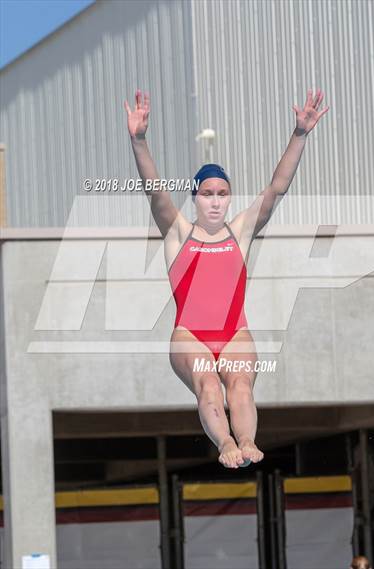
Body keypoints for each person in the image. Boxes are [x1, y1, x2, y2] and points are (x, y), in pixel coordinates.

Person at [124, 88, 329, 468]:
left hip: (236, 330)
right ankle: (224, 443)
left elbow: (277, 187)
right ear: (196, 198)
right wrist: (139, 141)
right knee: (208, 388)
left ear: (229, 198)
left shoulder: (241, 232)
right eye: (207, 193)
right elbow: (155, 193)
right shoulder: (178, 233)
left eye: (222, 193)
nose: (215, 200)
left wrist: (299, 136)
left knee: (240, 388)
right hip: (190, 335)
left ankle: (247, 440)